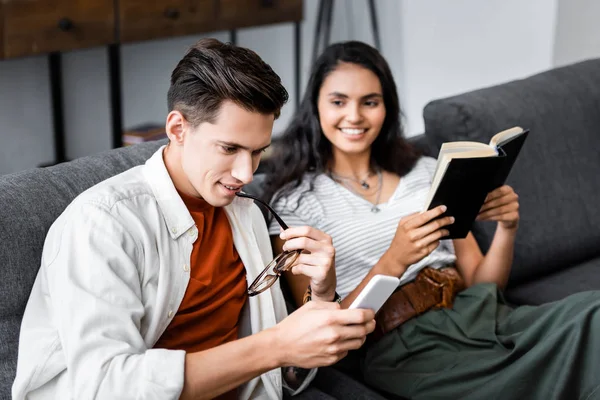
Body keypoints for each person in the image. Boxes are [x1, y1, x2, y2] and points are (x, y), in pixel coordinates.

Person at [12, 38, 377, 400]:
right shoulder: (101, 225)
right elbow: (109, 387)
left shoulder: (244, 212)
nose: (246, 173)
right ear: (177, 129)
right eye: (229, 148)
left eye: (257, 152)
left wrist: (323, 293)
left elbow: (285, 372)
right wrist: (275, 347)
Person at [263, 40, 600, 400]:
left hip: (481, 315)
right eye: (338, 101)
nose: (355, 116)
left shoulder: (428, 172)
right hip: (404, 348)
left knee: (592, 311)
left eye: (370, 102)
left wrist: (507, 228)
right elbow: (321, 332)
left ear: (387, 107)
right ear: (315, 106)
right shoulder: (294, 203)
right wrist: (396, 258)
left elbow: (481, 282)